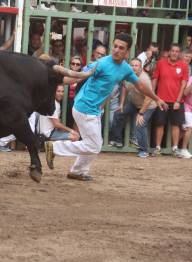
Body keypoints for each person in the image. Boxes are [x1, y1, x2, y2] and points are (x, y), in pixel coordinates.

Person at [45, 33, 167, 181]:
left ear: (127, 52)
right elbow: (76, 76)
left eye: (121, 48)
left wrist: (157, 98)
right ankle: (55, 148)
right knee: (94, 146)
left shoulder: (126, 69)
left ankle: (77, 171)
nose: (116, 50)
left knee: (94, 144)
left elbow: (141, 85)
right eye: (115, 46)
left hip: (94, 109)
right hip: (85, 107)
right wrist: (55, 81)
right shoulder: (101, 63)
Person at [110, 58, 157, 157]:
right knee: (118, 113)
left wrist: (141, 113)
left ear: (141, 68)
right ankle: (118, 140)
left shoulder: (144, 79)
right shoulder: (128, 76)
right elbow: (124, 87)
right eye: (132, 65)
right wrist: (122, 104)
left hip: (148, 105)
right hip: (134, 103)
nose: (134, 67)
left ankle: (144, 150)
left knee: (140, 123)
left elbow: (148, 98)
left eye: (137, 65)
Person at [152, 44, 189, 156]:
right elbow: (155, 80)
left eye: (177, 51)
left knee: (176, 125)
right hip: (161, 100)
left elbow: (183, 84)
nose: (174, 53)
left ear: (179, 53)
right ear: (169, 52)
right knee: (160, 124)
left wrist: (178, 101)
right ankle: (158, 148)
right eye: (172, 50)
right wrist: (154, 97)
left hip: (177, 101)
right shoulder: (161, 63)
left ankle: (174, 149)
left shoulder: (183, 65)